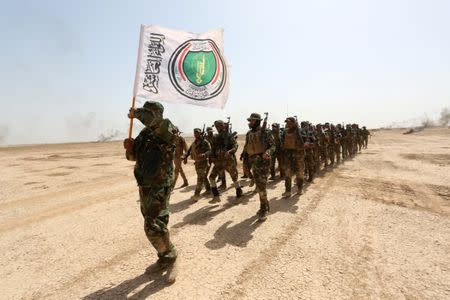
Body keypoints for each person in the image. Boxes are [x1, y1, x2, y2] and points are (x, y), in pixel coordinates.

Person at [123, 101, 177, 280]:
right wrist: (130, 149)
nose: (145, 115)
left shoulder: (167, 128)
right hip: (145, 184)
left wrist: (137, 113)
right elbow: (134, 158)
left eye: (148, 112)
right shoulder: (144, 134)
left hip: (160, 183)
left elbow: (154, 124)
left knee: (152, 225)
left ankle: (171, 256)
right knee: (154, 222)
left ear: (157, 113)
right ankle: (164, 256)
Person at [242, 113, 275, 221]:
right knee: (259, 186)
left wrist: (268, 152)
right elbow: (247, 146)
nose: (249, 122)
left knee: (262, 186)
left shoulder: (265, 132)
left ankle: (263, 209)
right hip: (253, 162)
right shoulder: (249, 133)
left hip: (263, 162)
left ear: (257, 121)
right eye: (250, 120)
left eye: (252, 121)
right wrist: (244, 157)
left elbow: (273, 145)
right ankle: (265, 205)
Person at [208, 120, 243, 202]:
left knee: (234, 177)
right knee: (211, 177)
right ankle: (216, 196)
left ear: (223, 126)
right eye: (216, 126)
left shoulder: (229, 135)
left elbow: (235, 146)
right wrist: (212, 157)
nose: (217, 128)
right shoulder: (216, 137)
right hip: (219, 161)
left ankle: (239, 193)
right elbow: (213, 148)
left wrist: (229, 152)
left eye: (219, 126)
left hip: (228, 160)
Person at [281, 117, 306, 197]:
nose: (287, 124)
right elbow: (282, 141)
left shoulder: (301, 131)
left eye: (289, 123)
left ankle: (300, 188)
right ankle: (288, 191)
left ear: (294, 123)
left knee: (299, 172)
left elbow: (304, 141)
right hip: (288, 154)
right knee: (287, 173)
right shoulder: (285, 132)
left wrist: (298, 131)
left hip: (298, 154)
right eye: (287, 123)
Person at [184, 128, 211, 201]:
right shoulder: (194, 143)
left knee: (200, 178)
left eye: (197, 133)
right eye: (194, 133)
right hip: (197, 163)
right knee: (203, 176)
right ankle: (209, 189)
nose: (195, 134)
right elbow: (189, 151)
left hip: (203, 162)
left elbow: (210, 151)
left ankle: (196, 194)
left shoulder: (205, 142)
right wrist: (185, 157)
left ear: (200, 133)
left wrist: (204, 154)